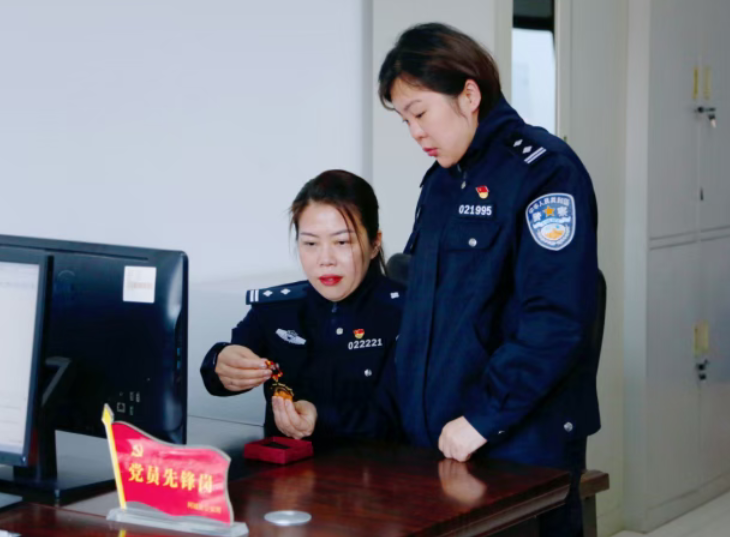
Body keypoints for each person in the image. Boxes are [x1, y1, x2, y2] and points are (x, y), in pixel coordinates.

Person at [378, 23, 601, 536]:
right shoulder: (440, 183)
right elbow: (422, 312)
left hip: (515, 442)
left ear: (469, 95)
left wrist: (483, 418)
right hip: (441, 442)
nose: (415, 133)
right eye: (405, 121)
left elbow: (556, 318)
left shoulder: (544, 170)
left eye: (420, 113)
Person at [200, 170, 404, 442]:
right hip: (283, 465)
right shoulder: (276, 308)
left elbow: (400, 416)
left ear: (374, 244)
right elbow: (220, 372)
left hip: (382, 465)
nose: (325, 259)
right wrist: (222, 363)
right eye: (310, 243)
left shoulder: (408, 312)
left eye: (342, 242)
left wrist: (320, 418)